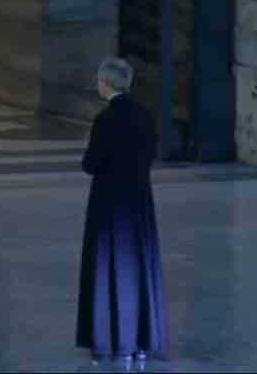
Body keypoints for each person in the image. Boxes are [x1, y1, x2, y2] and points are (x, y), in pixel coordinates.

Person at [76, 57, 169, 364]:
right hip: (139, 202)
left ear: (105, 83)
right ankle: (140, 341)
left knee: (108, 270)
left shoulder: (105, 120)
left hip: (109, 204)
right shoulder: (145, 116)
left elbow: (91, 163)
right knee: (137, 267)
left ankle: (108, 341)